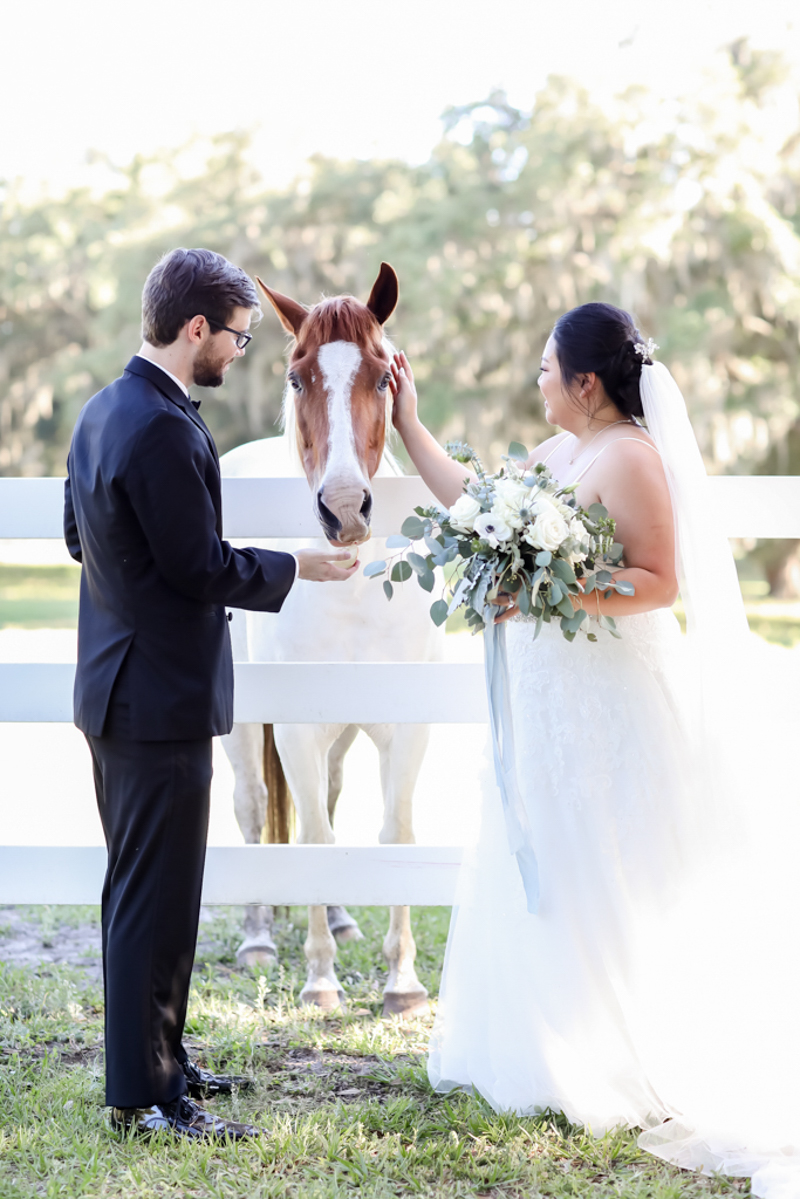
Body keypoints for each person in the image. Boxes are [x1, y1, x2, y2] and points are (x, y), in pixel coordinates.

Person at [389, 303, 800, 1198]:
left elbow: (658, 581)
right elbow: (478, 503)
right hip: (550, 697)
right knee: (549, 853)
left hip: (609, 698)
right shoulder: (560, 451)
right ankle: (549, 1047)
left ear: (584, 383)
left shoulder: (631, 457)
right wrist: (408, 423)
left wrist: (555, 588)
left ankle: (625, 1049)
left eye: (546, 368)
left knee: (611, 856)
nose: (536, 381)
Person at [63, 248, 358, 1141]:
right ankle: (146, 1098)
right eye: (235, 336)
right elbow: (197, 565)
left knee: (145, 893)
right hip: (158, 698)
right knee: (155, 899)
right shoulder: (161, 426)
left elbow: (80, 536)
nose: (237, 352)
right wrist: (297, 566)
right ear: (196, 328)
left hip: (119, 688)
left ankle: (162, 1062)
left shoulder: (101, 411)